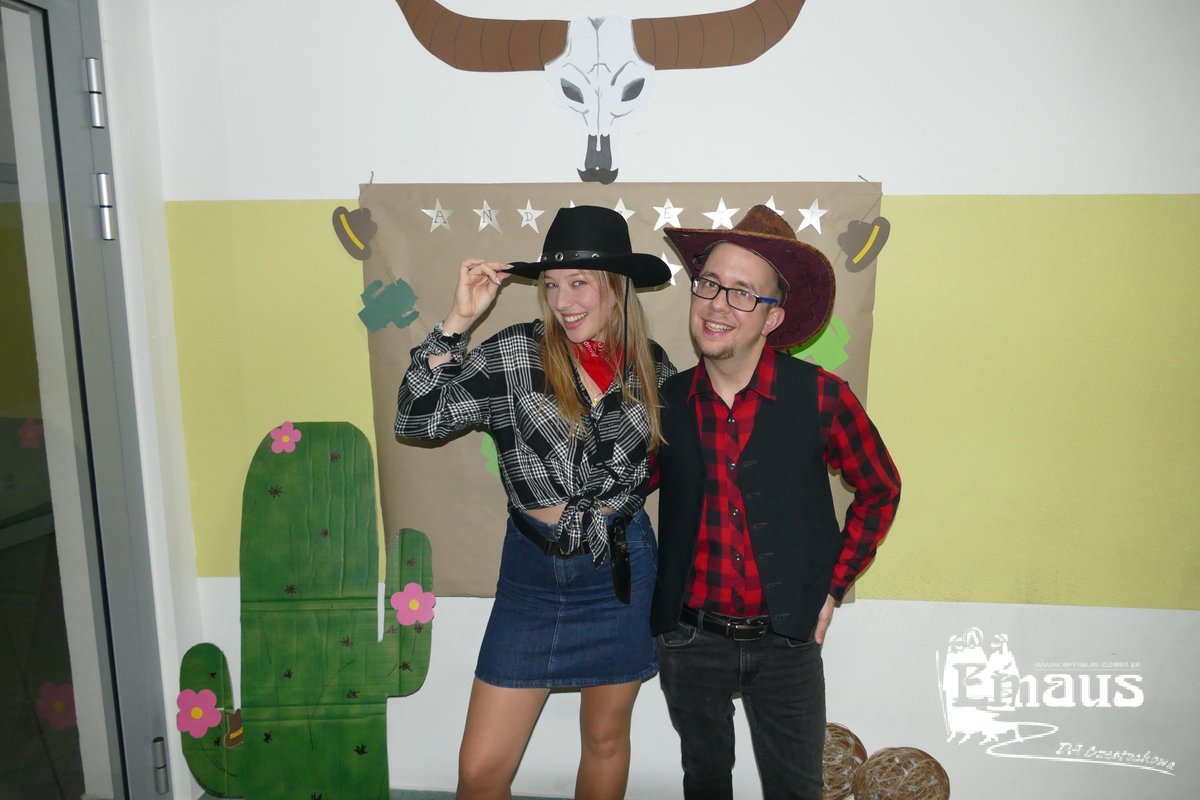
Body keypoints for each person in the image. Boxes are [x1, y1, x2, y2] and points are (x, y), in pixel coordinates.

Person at [395, 205, 675, 800]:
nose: (562, 301)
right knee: (479, 773)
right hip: (532, 578)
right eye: (550, 285)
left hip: (621, 573)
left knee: (605, 739)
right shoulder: (514, 353)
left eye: (579, 283)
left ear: (617, 287)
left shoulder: (652, 366)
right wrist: (457, 322)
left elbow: (669, 469)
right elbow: (415, 420)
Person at [652, 205, 902, 799]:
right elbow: (620, 487)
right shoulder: (665, 402)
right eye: (709, 284)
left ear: (773, 318)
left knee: (797, 789)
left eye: (743, 294)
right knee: (703, 783)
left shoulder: (822, 397)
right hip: (690, 640)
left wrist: (833, 587)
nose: (717, 305)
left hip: (787, 642)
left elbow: (880, 490)